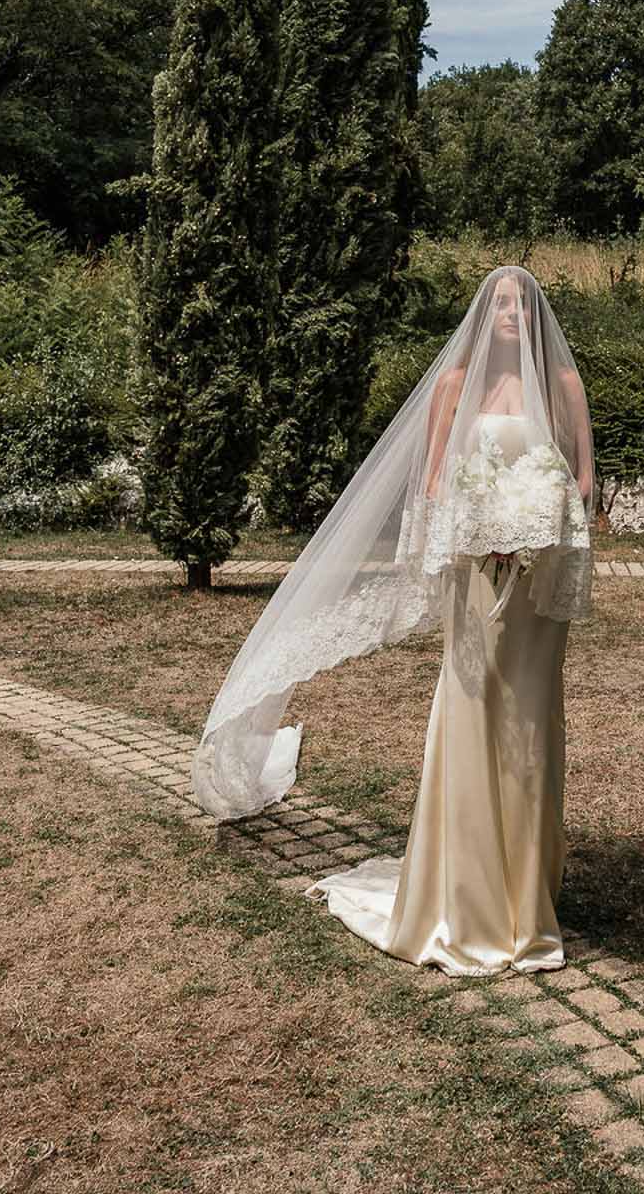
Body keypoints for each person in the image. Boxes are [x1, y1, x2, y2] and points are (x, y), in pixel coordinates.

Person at [191, 265, 596, 976]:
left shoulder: (560, 388)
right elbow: (433, 485)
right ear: (482, 315)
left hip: (536, 592)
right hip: (476, 580)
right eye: (500, 302)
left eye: (522, 304)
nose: (511, 313)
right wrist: (480, 532)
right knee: (474, 714)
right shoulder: (452, 388)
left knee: (530, 721)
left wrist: (540, 531)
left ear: (536, 318)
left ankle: (527, 894)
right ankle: (464, 894)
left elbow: (582, 482)